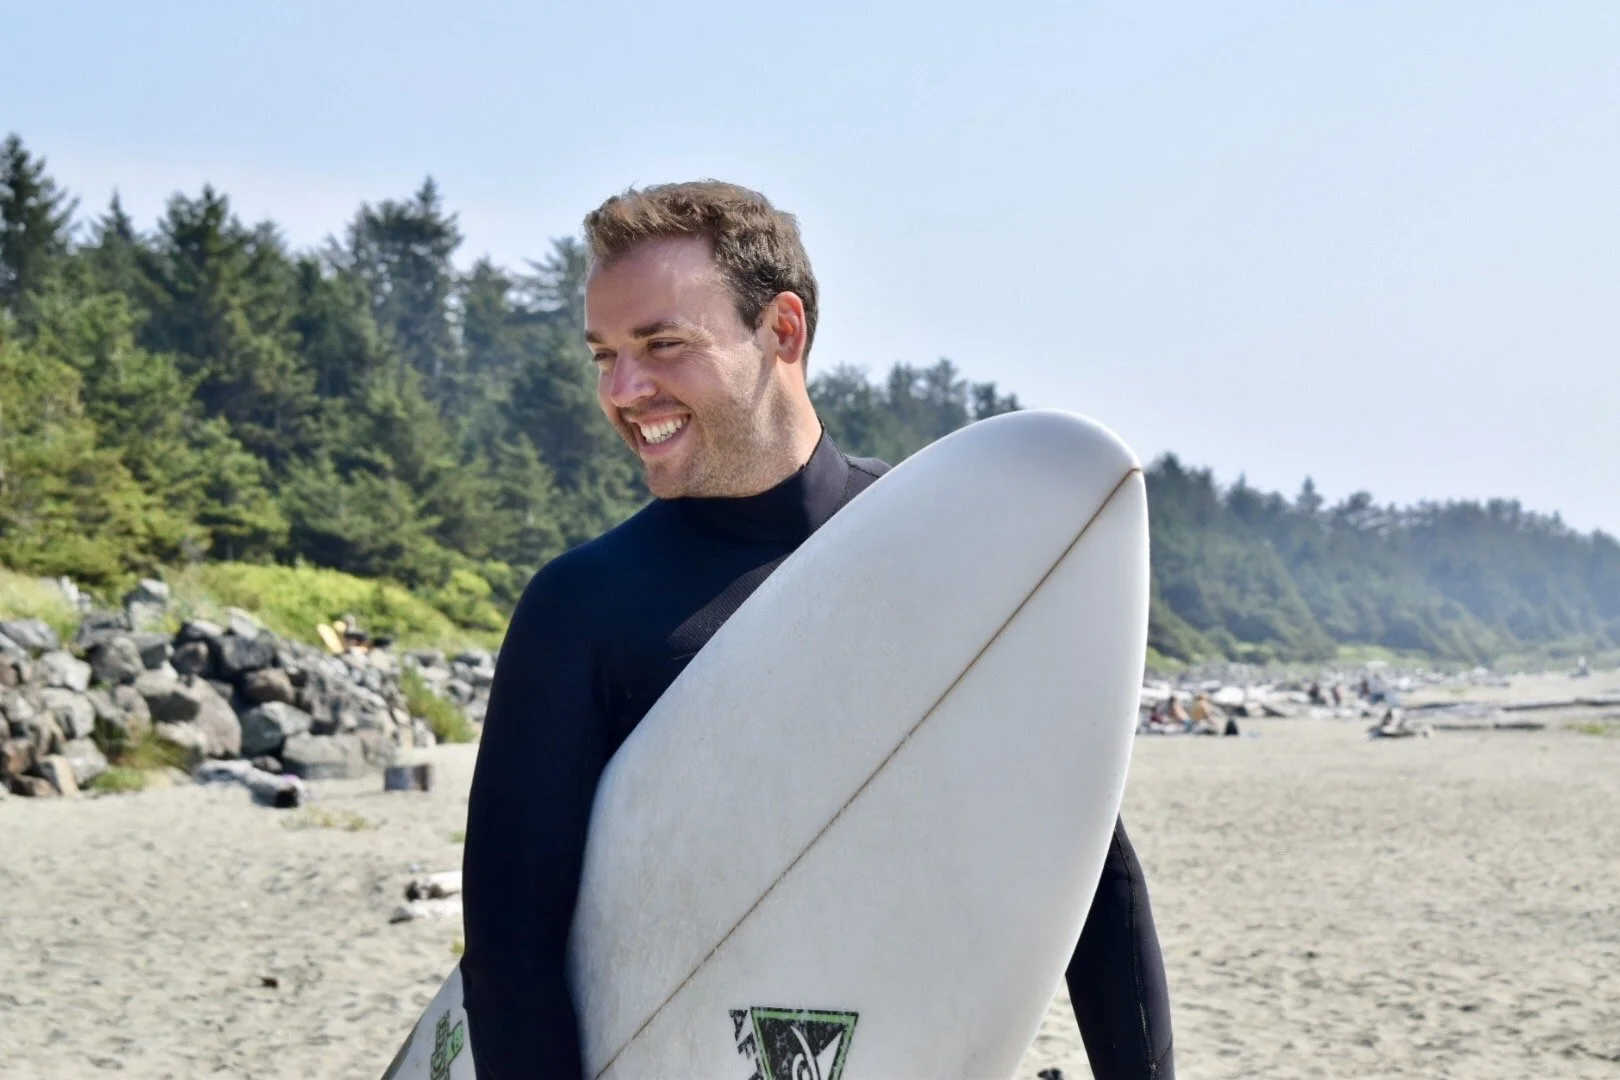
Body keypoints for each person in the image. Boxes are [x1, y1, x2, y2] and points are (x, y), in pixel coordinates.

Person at [460, 182, 1175, 1079]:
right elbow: (510, 958)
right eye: (603, 354)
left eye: (662, 344)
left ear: (783, 331)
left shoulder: (943, 555)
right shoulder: (580, 609)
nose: (624, 390)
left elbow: (1087, 873)